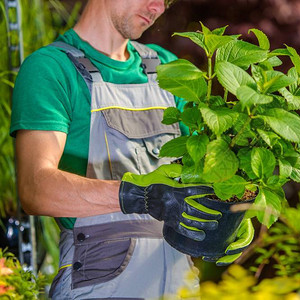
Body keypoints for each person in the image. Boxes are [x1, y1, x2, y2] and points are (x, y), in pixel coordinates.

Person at [9, 0, 254, 299]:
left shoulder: (168, 69)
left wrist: (232, 216)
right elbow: (36, 188)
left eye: (166, 1)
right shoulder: (51, 69)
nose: (158, 8)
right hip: (97, 285)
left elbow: (210, 169)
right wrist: (142, 196)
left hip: (177, 284)